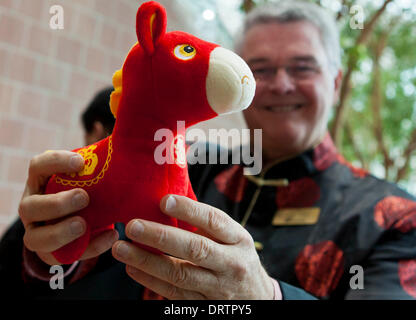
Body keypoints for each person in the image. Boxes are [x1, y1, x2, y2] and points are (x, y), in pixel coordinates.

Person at [2, 0, 416, 300]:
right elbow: (47, 272)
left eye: (302, 67)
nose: (280, 84)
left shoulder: (394, 219)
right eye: (260, 69)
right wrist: (43, 246)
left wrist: (269, 297)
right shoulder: (188, 163)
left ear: (336, 82)